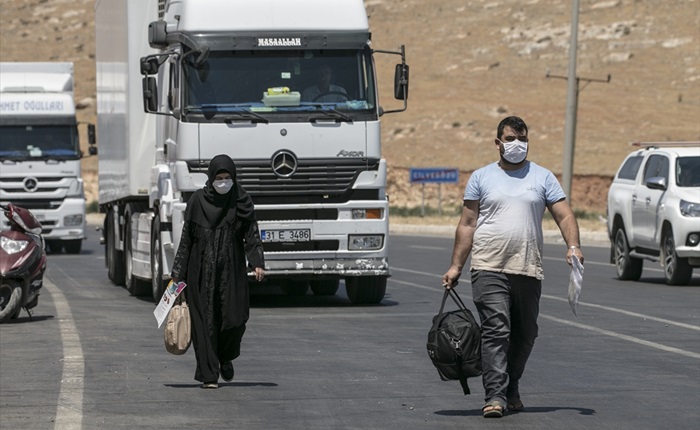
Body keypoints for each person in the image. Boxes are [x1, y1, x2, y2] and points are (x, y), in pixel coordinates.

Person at [441, 116, 584, 418]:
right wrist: (456, 266)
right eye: (510, 139)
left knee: (526, 332)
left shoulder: (543, 177)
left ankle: (511, 386)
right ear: (498, 143)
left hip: (528, 267)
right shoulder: (481, 177)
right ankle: (494, 396)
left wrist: (573, 246)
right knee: (497, 329)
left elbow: (564, 215)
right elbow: (467, 224)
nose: (516, 145)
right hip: (488, 265)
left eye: (522, 139)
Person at [170, 154, 265, 389]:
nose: (223, 182)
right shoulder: (197, 202)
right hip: (200, 273)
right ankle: (208, 375)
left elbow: (251, 234)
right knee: (205, 326)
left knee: (234, 320)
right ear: (211, 178)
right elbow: (186, 241)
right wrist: (176, 277)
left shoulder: (241, 201)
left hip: (232, 273)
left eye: (227, 177)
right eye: (219, 178)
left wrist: (257, 262)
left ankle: (226, 356)